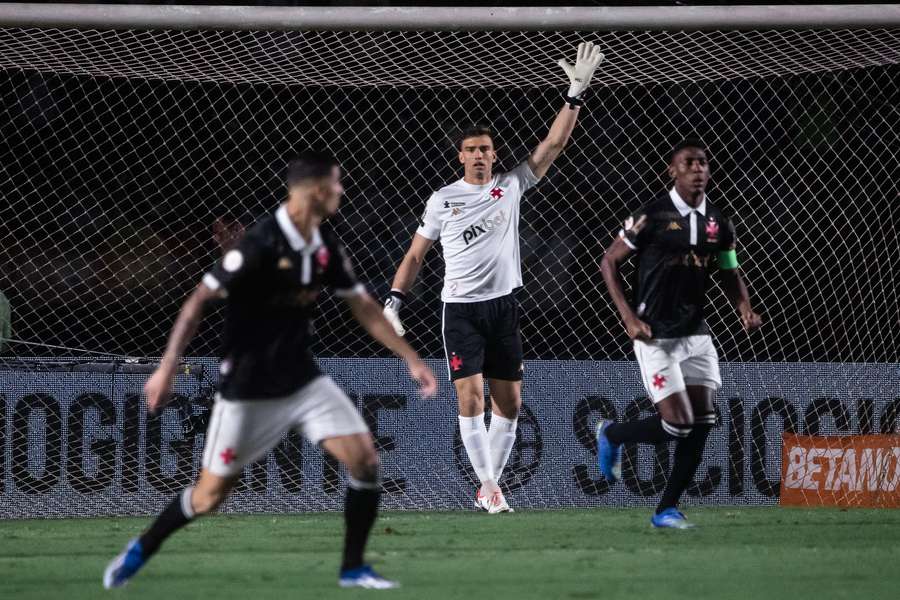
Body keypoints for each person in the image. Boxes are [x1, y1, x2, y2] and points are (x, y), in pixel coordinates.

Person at [103, 150, 437, 590]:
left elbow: (363, 307)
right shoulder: (259, 244)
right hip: (248, 390)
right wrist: (167, 367)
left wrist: (410, 357)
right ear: (316, 190)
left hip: (303, 381)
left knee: (365, 460)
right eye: (336, 184)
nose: (341, 191)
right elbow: (197, 303)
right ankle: (142, 548)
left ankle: (353, 568)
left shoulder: (323, 247)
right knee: (208, 498)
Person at [383, 42, 604, 513]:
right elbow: (416, 254)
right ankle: (489, 486)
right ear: (460, 157)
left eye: (485, 148)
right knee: (470, 400)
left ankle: (488, 486)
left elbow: (553, 145)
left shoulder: (512, 185)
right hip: (460, 311)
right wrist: (394, 300)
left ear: (493, 153)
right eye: (471, 150)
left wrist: (575, 93)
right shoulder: (443, 199)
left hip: (504, 306)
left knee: (509, 405)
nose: (480, 155)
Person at [596, 138, 763, 528]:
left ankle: (665, 509)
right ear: (672, 171)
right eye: (689, 163)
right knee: (677, 423)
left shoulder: (719, 222)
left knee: (702, 423)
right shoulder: (651, 215)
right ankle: (614, 433)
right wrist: (628, 318)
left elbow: (728, 269)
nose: (698, 169)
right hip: (655, 334)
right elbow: (608, 261)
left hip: (697, 334)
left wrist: (744, 307)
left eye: (703, 163)